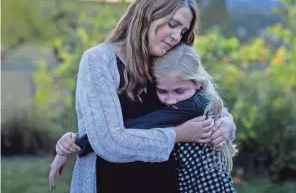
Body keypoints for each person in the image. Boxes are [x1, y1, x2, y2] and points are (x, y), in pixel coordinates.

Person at [49, 0, 236, 193]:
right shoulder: (98, 61)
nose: (176, 36)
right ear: (149, 13)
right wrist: (177, 134)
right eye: (172, 24)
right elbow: (110, 141)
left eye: (182, 31)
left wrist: (227, 123)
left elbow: (201, 100)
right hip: (110, 183)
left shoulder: (167, 62)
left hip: (166, 184)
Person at [50, 44, 237, 192]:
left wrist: (80, 143)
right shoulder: (193, 100)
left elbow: (141, 125)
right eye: (163, 91)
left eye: (179, 91)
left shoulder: (196, 105)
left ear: (197, 83)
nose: (171, 100)